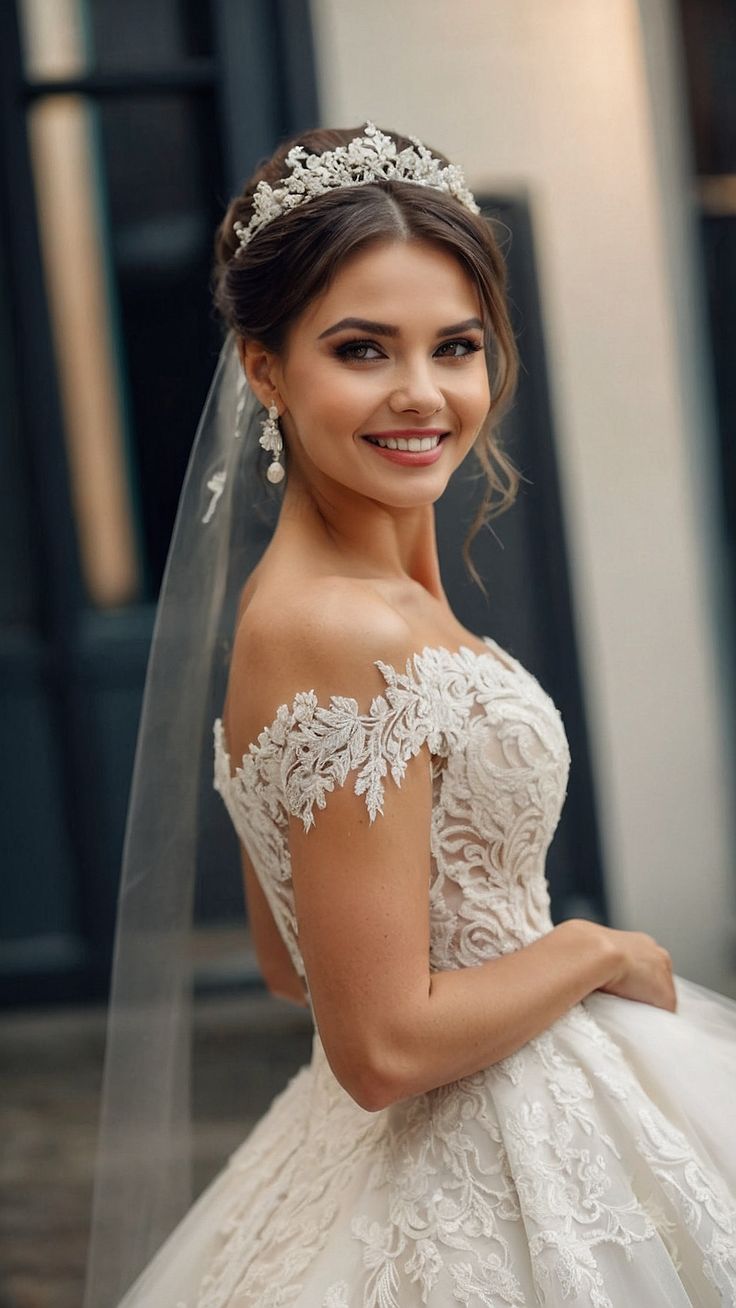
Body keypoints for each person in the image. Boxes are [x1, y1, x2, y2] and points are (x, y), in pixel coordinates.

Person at [86, 125, 736, 1308]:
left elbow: (293, 961)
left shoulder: (346, 603)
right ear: (265, 369)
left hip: (480, 1111)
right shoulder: (341, 630)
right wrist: (596, 948)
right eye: (360, 349)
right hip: (475, 1151)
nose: (422, 394)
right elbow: (380, 1049)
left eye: (456, 347)